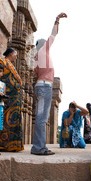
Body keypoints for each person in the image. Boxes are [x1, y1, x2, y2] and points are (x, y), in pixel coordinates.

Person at [31, 12, 67, 156]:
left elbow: (34, 74)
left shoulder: (35, 59)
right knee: (41, 119)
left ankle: (39, 146)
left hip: (40, 86)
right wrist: (57, 20)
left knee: (41, 118)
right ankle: (39, 148)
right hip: (45, 87)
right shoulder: (44, 50)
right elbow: (53, 34)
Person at [0, 48, 24, 152]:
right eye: (16, 54)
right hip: (8, 97)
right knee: (6, 119)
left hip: (15, 99)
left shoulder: (10, 64)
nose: (16, 56)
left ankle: (13, 144)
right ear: (10, 53)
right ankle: (3, 144)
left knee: (13, 119)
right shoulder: (2, 62)